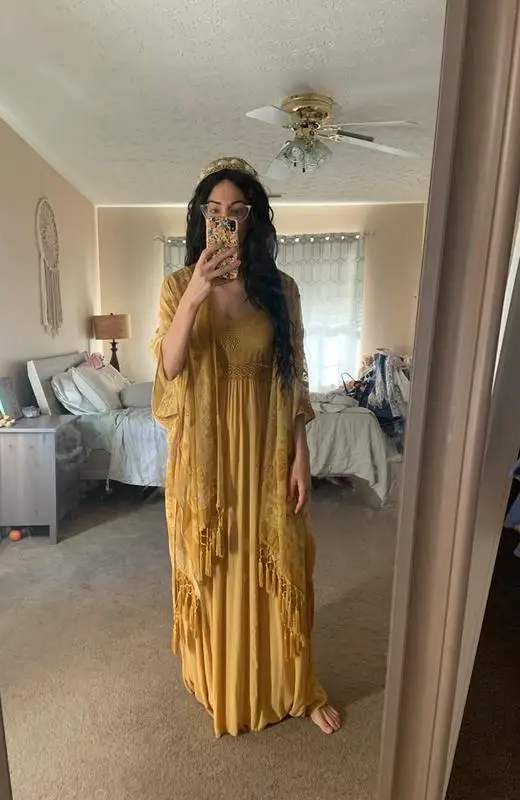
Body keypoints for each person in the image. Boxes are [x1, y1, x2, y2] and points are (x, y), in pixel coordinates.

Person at [151, 157, 341, 738]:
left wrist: (301, 453)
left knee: (281, 556)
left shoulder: (282, 290)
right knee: (219, 557)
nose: (224, 221)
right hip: (207, 458)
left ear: (252, 219)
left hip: (266, 448)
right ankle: (221, 679)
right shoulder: (178, 286)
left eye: (235, 211)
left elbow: (293, 378)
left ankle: (293, 687)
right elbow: (168, 369)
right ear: (201, 219)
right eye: (214, 212)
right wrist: (196, 295)